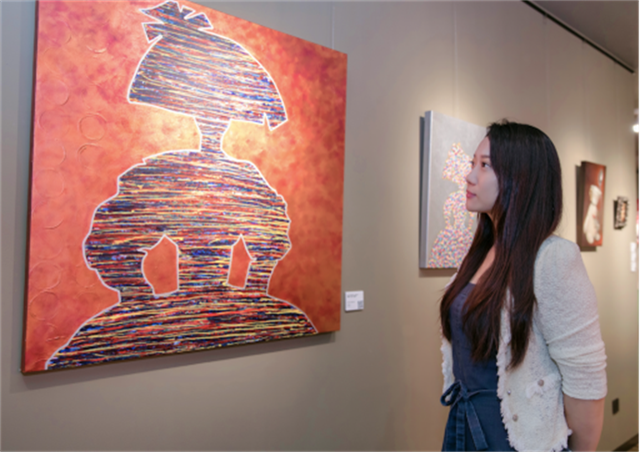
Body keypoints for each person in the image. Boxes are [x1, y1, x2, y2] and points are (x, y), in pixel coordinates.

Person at [439, 121, 607, 452]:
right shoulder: (480, 253)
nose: (469, 176)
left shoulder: (552, 258)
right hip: (465, 428)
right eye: (473, 163)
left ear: (520, 179)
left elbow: (585, 381)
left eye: (484, 165)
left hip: (517, 440)